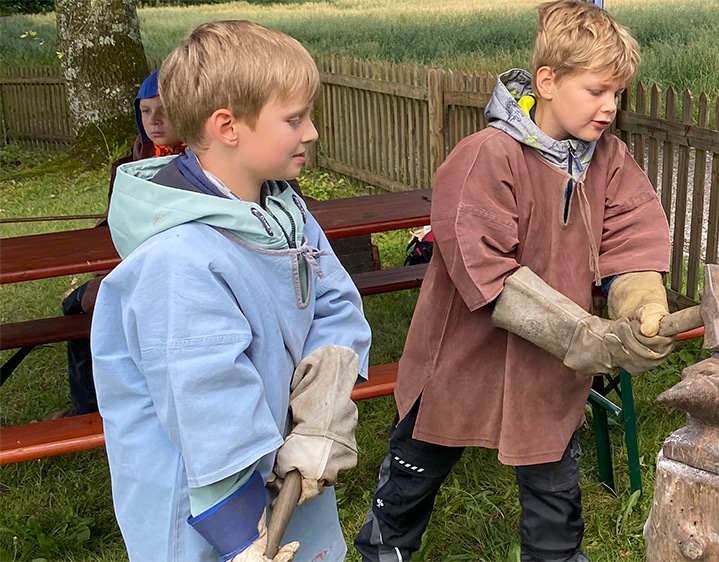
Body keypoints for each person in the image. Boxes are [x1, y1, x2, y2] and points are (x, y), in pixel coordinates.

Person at [354, 1, 674, 560]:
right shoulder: (486, 155)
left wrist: (641, 305)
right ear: (547, 81)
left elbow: (633, 239)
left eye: (617, 94)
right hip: (460, 359)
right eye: (597, 90)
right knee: (413, 478)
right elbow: (487, 269)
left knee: (555, 499)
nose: (609, 107)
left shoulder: (609, 160)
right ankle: (384, 552)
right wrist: (586, 335)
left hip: (544, 372)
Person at [90, 20, 371, 561]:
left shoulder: (284, 211)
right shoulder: (178, 259)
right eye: (294, 118)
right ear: (228, 126)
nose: (311, 132)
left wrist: (323, 408)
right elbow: (206, 407)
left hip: (288, 471)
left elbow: (334, 302)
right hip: (211, 512)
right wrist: (241, 537)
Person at [49, 69, 186, 421]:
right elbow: (115, 225)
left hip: (174, 274)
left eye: (165, 110)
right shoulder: (129, 164)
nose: (154, 120)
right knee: (77, 307)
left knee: (108, 305)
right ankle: (88, 408)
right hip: (126, 268)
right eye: (145, 111)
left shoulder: (198, 164)